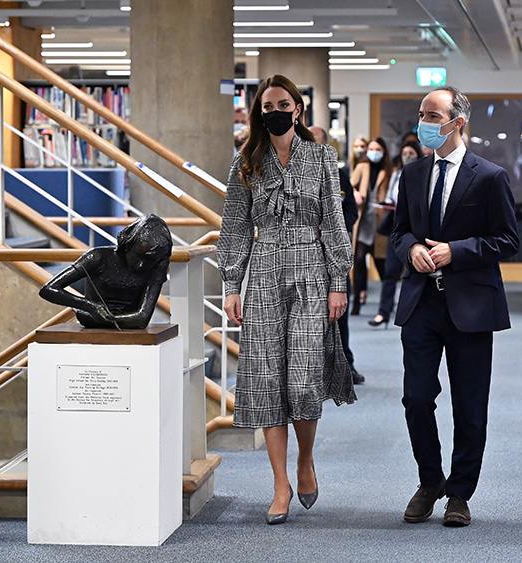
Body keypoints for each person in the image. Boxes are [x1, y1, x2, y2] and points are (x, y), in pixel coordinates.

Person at [217, 75, 356, 525]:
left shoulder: (321, 157)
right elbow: (235, 227)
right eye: (266, 105)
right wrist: (232, 284)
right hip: (263, 274)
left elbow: (334, 223)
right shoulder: (245, 163)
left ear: (297, 108)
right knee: (266, 381)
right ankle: (279, 484)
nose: (274, 110)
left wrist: (340, 280)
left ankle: (305, 460)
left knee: (301, 380)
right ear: (260, 112)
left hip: (311, 274)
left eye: (282, 103)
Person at [391, 86, 519, 527]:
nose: (423, 122)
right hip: (422, 301)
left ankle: (460, 494)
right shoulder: (411, 175)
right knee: (416, 397)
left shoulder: (490, 176)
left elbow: (507, 240)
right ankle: (431, 481)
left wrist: (456, 251)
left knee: (469, 404)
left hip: (471, 305)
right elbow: (399, 234)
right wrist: (411, 251)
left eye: (432, 115)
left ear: (457, 122)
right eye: (422, 114)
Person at [39, 214, 172, 329]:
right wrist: (89, 305)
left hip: (115, 325)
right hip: (93, 321)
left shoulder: (158, 265)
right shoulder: (98, 257)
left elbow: (142, 318)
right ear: (128, 244)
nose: (141, 264)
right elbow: (48, 289)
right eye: (137, 255)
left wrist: (103, 318)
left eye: (150, 260)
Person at [311, 126, 364, 384]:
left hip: (334, 257)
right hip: (304, 258)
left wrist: (335, 227)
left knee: (338, 313)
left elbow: (351, 210)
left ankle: (346, 365)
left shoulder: (339, 175)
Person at [370, 140, 424, 328]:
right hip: (397, 226)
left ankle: (413, 312)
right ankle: (383, 312)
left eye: (411, 153)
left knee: (415, 272)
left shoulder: (423, 174)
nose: (408, 156)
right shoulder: (396, 174)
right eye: (405, 153)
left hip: (417, 229)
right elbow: (390, 197)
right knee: (390, 271)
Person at [350, 137, 394, 315]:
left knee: (382, 263)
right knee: (359, 260)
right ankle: (357, 303)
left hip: (380, 222)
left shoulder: (389, 170)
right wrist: (355, 194)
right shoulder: (362, 167)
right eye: (372, 149)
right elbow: (349, 186)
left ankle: (386, 303)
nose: (374, 153)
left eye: (378, 150)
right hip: (363, 220)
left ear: (383, 152)